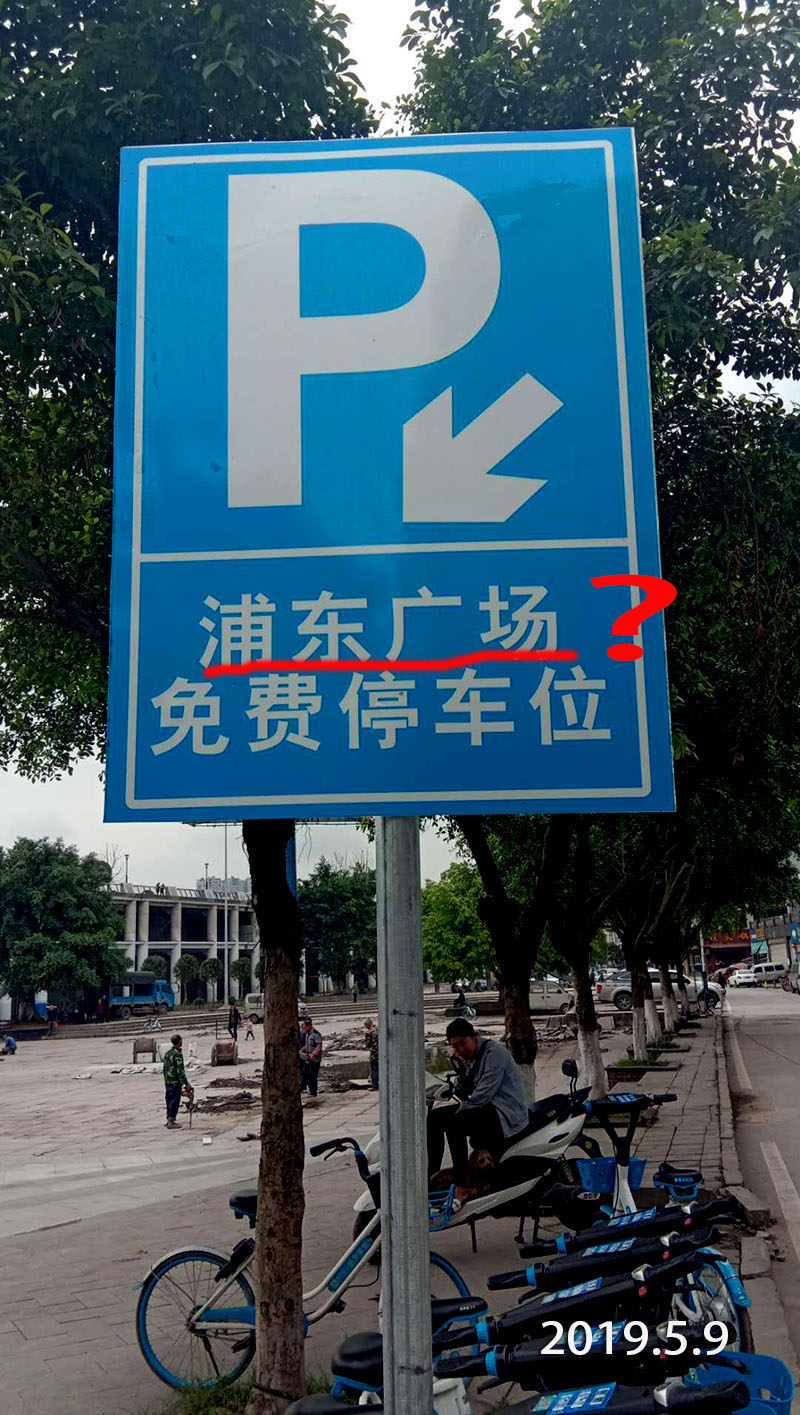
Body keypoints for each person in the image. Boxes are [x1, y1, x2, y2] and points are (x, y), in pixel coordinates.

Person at [427, 1018, 530, 1198]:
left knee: (454, 1124)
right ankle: (431, 1174)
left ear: (474, 1037)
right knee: (434, 1118)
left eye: (463, 1043)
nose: (460, 1049)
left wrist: (459, 1109)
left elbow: (482, 1095)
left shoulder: (494, 1053)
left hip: (505, 1113)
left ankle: (462, 1183)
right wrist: (460, 1078)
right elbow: (465, 1092)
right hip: (486, 1107)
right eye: (455, 1046)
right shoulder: (470, 1057)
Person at [163, 1033, 190, 1129]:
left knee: (169, 1100)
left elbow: (165, 1069)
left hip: (168, 1081)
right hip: (175, 1081)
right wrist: (186, 1083)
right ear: (179, 1042)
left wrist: (166, 1079)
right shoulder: (177, 1054)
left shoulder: (168, 1053)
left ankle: (168, 1118)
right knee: (175, 1101)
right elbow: (180, 1071)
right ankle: (171, 1120)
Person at [299, 1017, 323, 1098]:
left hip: (315, 1059)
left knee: (313, 1076)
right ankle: (307, 1088)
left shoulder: (316, 1034)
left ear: (309, 1026)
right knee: (305, 1073)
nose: (304, 1029)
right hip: (308, 1058)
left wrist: (313, 1054)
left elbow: (318, 1046)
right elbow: (308, 1044)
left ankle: (313, 1092)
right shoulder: (307, 1034)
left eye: (305, 1027)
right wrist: (303, 1049)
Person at [364, 1018, 379, 1089]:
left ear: (368, 1024)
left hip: (374, 1053)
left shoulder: (368, 1033)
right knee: (380, 1068)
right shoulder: (377, 1030)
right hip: (380, 1052)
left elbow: (368, 1044)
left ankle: (375, 1085)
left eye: (365, 1025)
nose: (365, 1026)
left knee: (374, 1069)